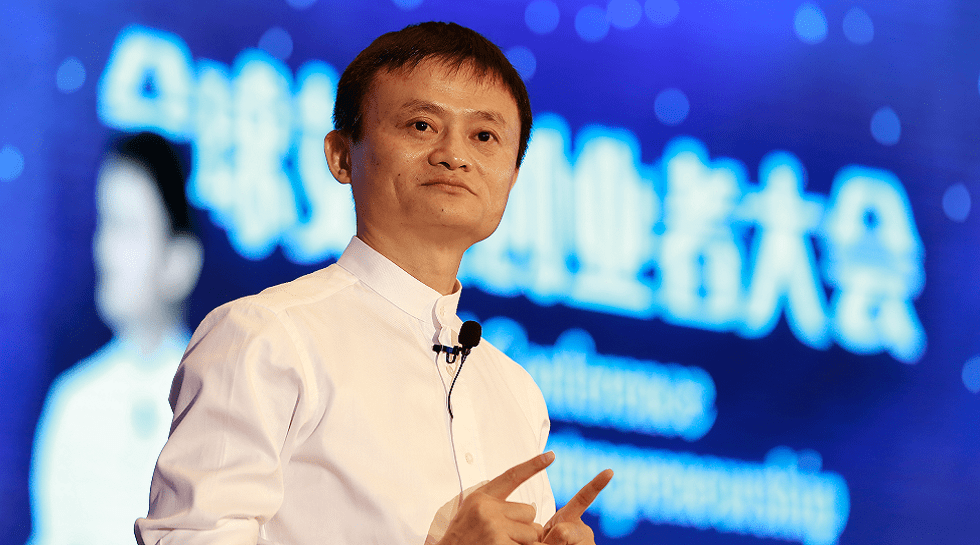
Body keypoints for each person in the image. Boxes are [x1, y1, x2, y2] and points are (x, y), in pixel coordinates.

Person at [135, 22, 611, 545]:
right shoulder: (266, 336)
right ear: (342, 155)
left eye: (484, 137)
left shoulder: (515, 392)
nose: (455, 155)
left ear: (512, 178)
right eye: (422, 126)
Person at [29, 132, 203, 545]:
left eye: (127, 228)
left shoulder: (222, 400)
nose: (106, 250)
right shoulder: (74, 402)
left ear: (180, 260)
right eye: (105, 224)